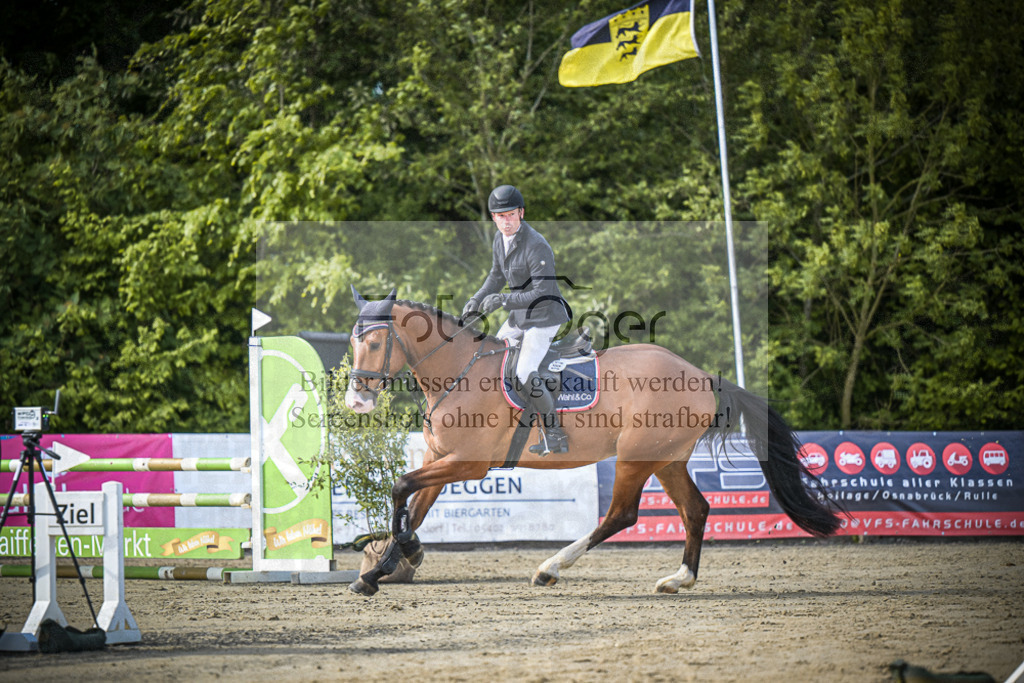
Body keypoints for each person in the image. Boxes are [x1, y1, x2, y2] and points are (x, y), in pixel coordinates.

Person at [462, 185, 570, 455]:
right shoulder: (500, 240)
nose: (506, 221)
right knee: (490, 359)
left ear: (521, 213)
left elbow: (543, 292)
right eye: (501, 216)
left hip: (545, 317)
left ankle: (554, 435)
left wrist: (503, 300)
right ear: (493, 217)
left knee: (523, 371)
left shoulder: (537, 245)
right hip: (520, 317)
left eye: (511, 214)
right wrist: (476, 299)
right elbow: (496, 276)